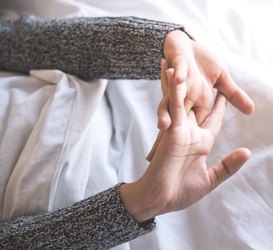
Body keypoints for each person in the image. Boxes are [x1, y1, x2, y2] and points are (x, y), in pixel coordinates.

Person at [0, 14, 254, 248]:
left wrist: (166, 44)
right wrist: (138, 203)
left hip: (113, 99)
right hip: (104, 212)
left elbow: (21, 42)